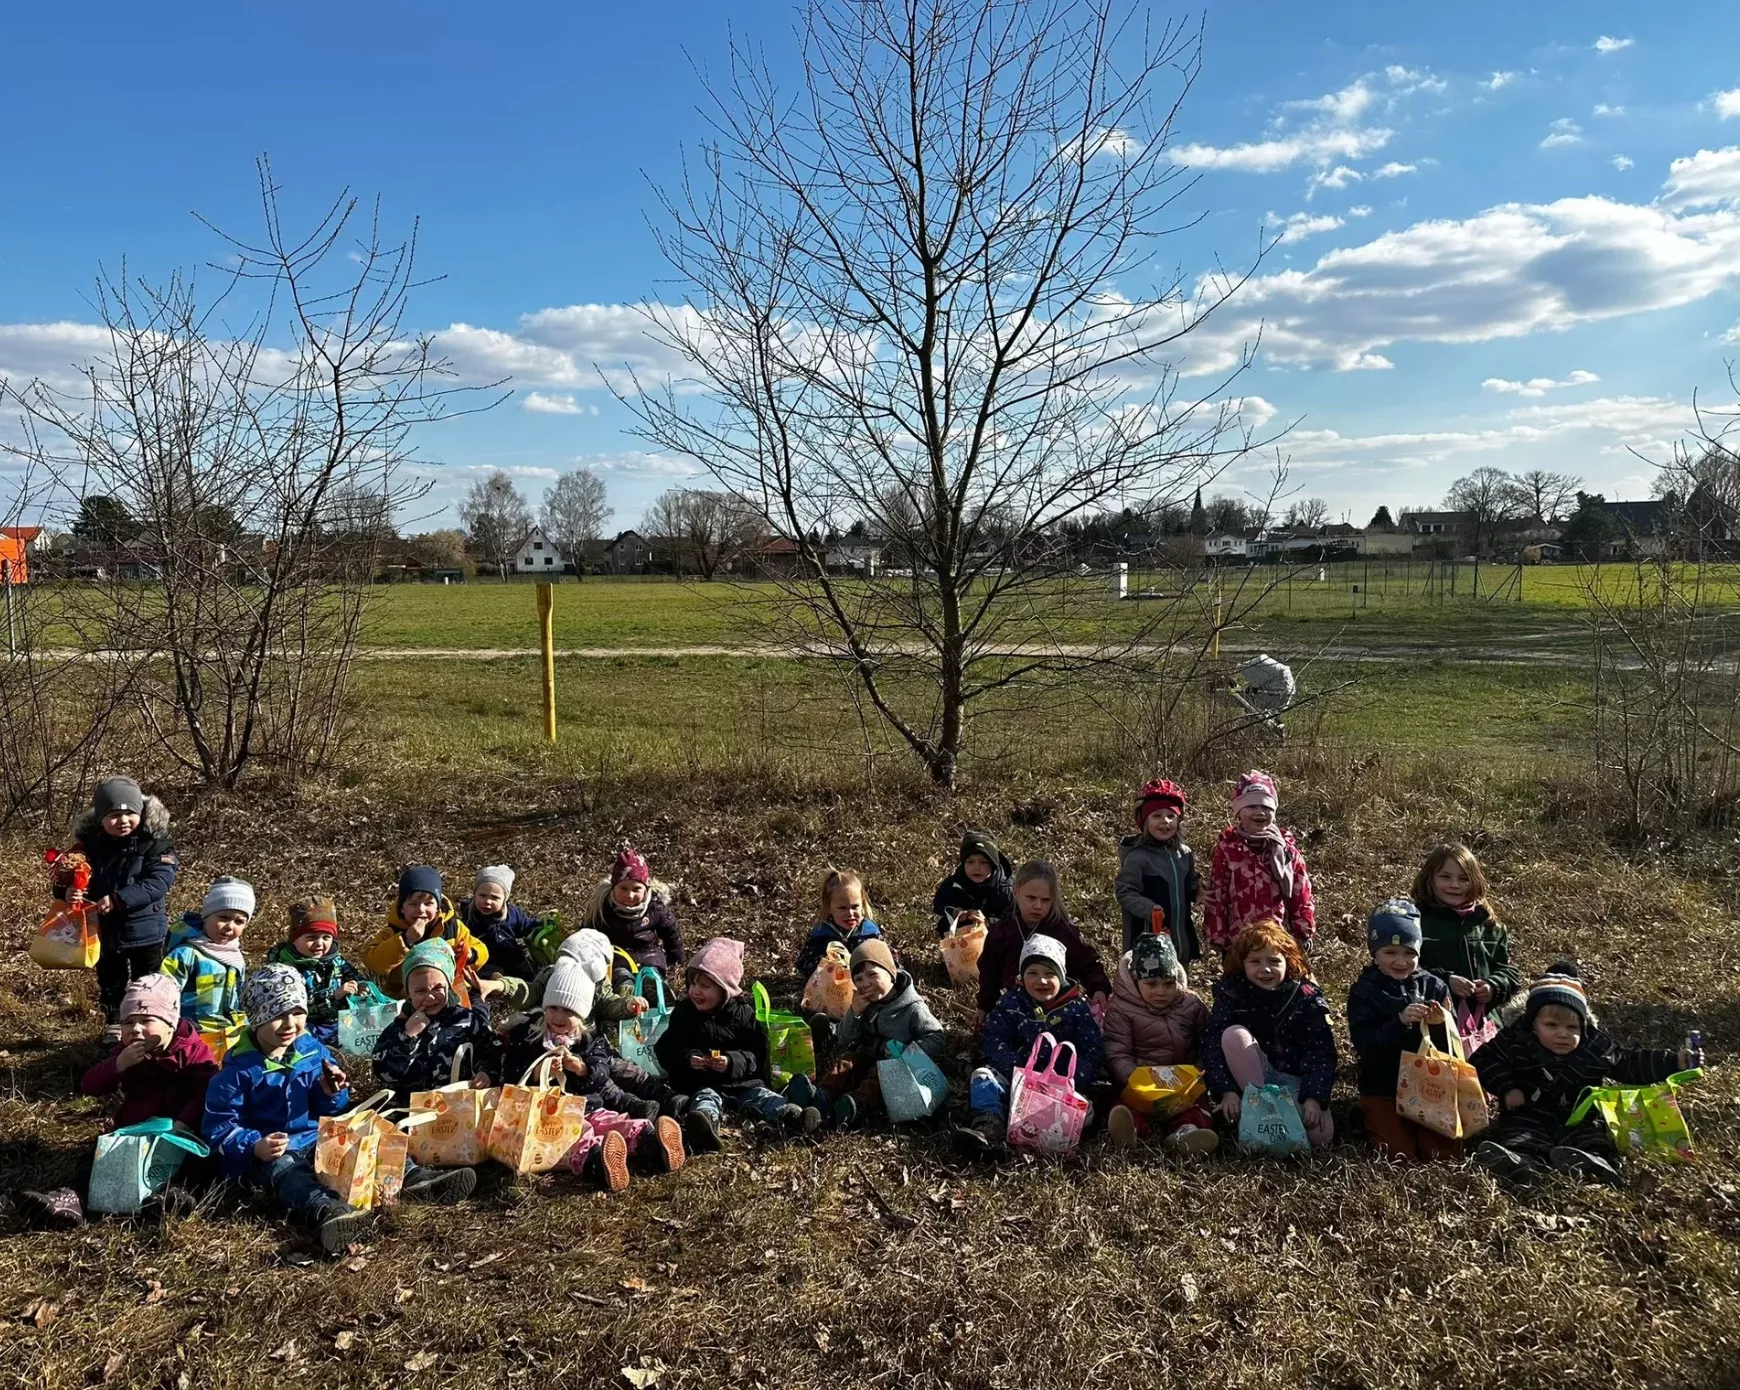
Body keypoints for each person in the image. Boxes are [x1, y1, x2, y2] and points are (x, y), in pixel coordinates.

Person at [16, 975, 219, 1229]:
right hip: (134, 1133)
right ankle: (71, 1199)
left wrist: (183, 1123)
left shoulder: (194, 1052)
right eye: (128, 1023)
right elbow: (90, 1086)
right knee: (96, 1159)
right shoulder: (124, 1053)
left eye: (146, 1021)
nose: (135, 1029)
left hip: (181, 1134)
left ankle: (170, 1200)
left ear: (170, 1023)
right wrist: (118, 1065)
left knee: (195, 1164)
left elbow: (206, 1093)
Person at [200, 965, 376, 1254]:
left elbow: (329, 1109)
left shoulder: (311, 1049)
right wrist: (254, 1146)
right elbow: (217, 1128)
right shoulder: (236, 1073)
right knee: (287, 1170)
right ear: (257, 1018)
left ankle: (414, 1175)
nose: (289, 1024)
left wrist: (331, 1092)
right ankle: (325, 1209)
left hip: (310, 1136)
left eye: (297, 1013)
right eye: (277, 1015)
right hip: (265, 1155)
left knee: (360, 1134)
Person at [1473, 963, 1700, 1185]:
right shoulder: (1515, 1040)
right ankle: (1522, 1163)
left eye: (1572, 1028)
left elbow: (1629, 1063)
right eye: (1551, 1025)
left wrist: (1673, 1062)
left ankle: (1596, 1162)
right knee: (1520, 1132)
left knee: (1590, 1136)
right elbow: (1483, 1060)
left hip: (1578, 1114)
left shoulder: (1594, 1047)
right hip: (1528, 1110)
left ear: (1583, 1026)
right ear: (1533, 1024)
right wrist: (1507, 1087)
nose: (1563, 1034)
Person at [500, 954, 683, 1191]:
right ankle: (597, 1162)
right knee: (582, 1135)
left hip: (589, 1106)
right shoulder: (529, 1036)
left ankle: (652, 1143)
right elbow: (511, 1074)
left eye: (568, 1011)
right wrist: (538, 1072)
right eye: (553, 1008)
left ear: (583, 1014)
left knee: (616, 1122)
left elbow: (601, 1074)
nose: (558, 1017)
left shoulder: (589, 1041)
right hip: (549, 1117)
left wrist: (580, 1068)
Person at [653, 937, 822, 1152]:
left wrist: (732, 1062)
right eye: (693, 983)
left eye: (705, 986)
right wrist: (688, 1058)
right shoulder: (684, 1013)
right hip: (701, 1081)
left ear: (726, 989)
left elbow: (757, 1053)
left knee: (763, 1097)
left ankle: (793, 1116)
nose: (696, 991)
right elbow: (666, 1048)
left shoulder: (743, 1014)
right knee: (705, 1099)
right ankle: (704, 1128)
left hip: (741, 1082)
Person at [957, 934, 1105, 1155]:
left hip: (1059, 1087)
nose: (1041, 981)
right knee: (982, 1077)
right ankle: (989, 1125)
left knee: (1087, 1108)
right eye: (1032, 973)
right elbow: (993, 1037)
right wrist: (1017, 1068)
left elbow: (1092, 1050)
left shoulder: (1076, 1010)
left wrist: (1071, 1078)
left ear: (1062, 976)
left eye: (1049, 974)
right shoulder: (1011, 1002)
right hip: (1017, 1077)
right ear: (1021, 976)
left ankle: (1056, 1135)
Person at [1201, 919, 1336, 1150]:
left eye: (1274, 961)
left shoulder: (1305, 997)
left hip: (1295, 1081)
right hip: (1254, 1079)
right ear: (1242, 964)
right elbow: (1212, 1045)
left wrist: (1314, 1098)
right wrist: (1227, 1091)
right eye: (1255, 961)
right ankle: (1257, 1109)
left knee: (1321, 1138)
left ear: (1289, 961)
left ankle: (1276, 1118)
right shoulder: (1232, 994)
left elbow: (1321, 1052)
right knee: (1234, 1035)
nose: (1265, 969)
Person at [785, 938, 946, 1130]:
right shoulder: (864, 1001)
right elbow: (845, 1038)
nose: (866, 983)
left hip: (895, 1063)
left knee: (876, 1080)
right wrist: (855, 1012)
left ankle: (853, 1107)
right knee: (846, 1063)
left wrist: (908, 1051)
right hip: (866, 1054)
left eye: (872, 974)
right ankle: (821, 1096)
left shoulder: (913, 1008)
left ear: (891, 974)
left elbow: (937, 1036)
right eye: (859, 979)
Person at [53, 777, 177, 1022]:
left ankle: (148, 1023)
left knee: (148, 982)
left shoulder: (156, 845)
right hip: (104, 931)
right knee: (111, 982)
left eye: (130, 813)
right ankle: (115, 1023)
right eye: (113, 816)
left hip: (146, 932)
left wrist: (119, 899)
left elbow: (157, 882)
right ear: (100, 819)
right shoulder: (89, 849)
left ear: (140, 813)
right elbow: (69, 875)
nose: (122, 821)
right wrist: (67, 892)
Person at [1345, 899, 1460, 1163]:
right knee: (1398, 1155)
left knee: (1442, 1155)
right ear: (1374, 953)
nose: (1401, 961)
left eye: (1409, 953)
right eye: (1390, 952)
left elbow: (1452, 1047)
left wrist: (1440, 1022)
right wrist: (1399, 1021)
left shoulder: (1435, 986)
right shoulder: (1365, 990)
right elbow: (1366, 1045)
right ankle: (1366, 1115)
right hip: (1384, 1085)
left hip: (1429, 1085)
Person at [1102, 934, 1217, 1154]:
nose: (1161, 992)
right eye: (1151, 984)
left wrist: (1200, 1072)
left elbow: (1207, 1041)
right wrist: (1134, 1079)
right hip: (1141, 1082)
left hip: (1184, 1083)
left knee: (1196, 1109)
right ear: (1136, 980)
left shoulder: (1191, 1004)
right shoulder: (1121, 1009)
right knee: (1125, 1106)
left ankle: (1186, 1134)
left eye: (1168, 984)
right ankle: (1132, 1131)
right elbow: (1116, 1051)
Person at [974, 861, 1111, 1027]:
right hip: (1014, 1006)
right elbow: (990, 972)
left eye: (1045, 900)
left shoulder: (1061, 930)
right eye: (1031, 898)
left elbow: (1087, 962)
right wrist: (984, 1006)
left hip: (1055, 1006)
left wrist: (1098, 988)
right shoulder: (1002, 931)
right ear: (1016, 891)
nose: (1038, 906)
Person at [1412, 843, 1522, 1045]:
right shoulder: (1416, 921)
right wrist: (1445, 980)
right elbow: (1405, 968)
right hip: (1432, 1025)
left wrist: (1493, 986)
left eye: (1464, 878)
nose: (1455, 885)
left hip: (1486, 1027)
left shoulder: (1489, 924)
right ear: (1430, 878)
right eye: (1445, 877)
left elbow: (1509, 971)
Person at [369, 938, 500, 1106]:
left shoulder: (466, 1020)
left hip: (460, 1108)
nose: (430, 997)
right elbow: (383, 1072)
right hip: (412, 1112)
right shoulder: (399, 1028)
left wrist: (487, 1073)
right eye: (420, 991)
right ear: (408, 993)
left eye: (438, 988)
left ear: (449, 986)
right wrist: (407, 1035)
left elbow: (491, 1048)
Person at [1201, 771, 1315, 953]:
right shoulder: (1228, 849)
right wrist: (1216, 933)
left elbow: (1301, 892)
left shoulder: (1285, 849)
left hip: (1278, 937)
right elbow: (1218, 892)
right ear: (1238, 811)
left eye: (1266, 807)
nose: (1260, 812)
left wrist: (1303, 931)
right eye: (1251, 806)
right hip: (1238, 939)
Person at [362, 865, 493, 1001]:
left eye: (428, 903)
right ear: (401, 908)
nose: (421, 910)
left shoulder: (452, 928)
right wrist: (406, 940)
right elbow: (372, 961)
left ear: (438, 907)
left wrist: (470, 954)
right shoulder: (394, 930)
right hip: (406, 998)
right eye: (413, 904)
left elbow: (482, 950)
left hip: (447, 994)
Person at [1114, 778, 1200, 960]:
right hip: (1148, 938)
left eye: (1171, 816)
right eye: (1156, 816)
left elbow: (1190, 883)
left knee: (1179, 981)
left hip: (1180, 936)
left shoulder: (1184, 854)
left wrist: (1198, 891)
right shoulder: (1138, 857)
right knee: (1151, 984)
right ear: (1144, 821)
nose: (1165, 821)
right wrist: (1149, 909)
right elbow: (1125, 891)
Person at [264, 896, 369, 1043]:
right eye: (311, 937)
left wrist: (362, 987)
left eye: (326, 937)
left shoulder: (336, 960)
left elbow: (356, 976)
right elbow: (292, 1006)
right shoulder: (286, 968)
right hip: (305, 1024)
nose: (319, 943)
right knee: (304, 1040)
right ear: (294, 938)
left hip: (338, 1020)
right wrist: (334, 995)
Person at [160, 877, 254, 1036]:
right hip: (190, 1034)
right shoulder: (185, 954)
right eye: (223, 918)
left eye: (239, 922)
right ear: (206, 916)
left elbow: (239, 997)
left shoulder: (235, 957)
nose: (230, 927)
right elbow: (164, 997)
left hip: (228, 1032)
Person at [582, 847, 686, 984]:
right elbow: (586, 937)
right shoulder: (603, 909)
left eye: (636, 889)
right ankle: (625, 993)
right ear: (613, 887)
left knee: (651, 975)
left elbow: (672, 935)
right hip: (618, 960)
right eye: (623, 888)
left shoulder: (655, 908)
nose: (629, 895)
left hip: (650, 957)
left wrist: (677, 962)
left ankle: (656, 988)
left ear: (646, 889)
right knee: (621, 976)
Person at [457, 864, 548, 988]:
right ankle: (496, 981)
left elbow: (525, 925)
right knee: (484, 972)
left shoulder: (512, 914)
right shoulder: (470, 915)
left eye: (495, 897)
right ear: (475, 894)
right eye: (482, 895)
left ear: (505, 899)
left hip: (510, 955)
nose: (487, 901)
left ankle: (530, 986)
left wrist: (540, 924)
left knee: (527, 972)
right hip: (486, 959)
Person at [795, 869, 884, 980]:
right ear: (829, 908)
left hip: (864, 987)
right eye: (842, 908)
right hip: (830, 989)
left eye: (855, 907)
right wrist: (826, 964)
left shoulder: (869, 932)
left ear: (863, 904)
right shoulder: (820, 933)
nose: (850, 913)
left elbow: (888, 960)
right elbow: (803, 964)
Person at [931, 829, 1015, 939]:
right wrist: (954, 912)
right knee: (944, 924)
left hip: (995, 940)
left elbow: (1013, 922)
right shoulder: (954, 883)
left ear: (993, 864)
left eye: (983, 862)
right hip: (962, 941)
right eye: (970, 862)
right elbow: (938, 903)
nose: (976, 867)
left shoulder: (1006, 889)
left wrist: (987, 922)